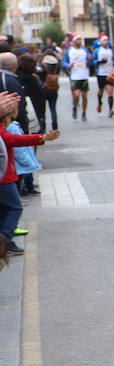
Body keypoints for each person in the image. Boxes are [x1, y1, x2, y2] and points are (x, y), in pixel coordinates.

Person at [0, 91, 60, 255]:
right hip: (4, 179)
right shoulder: (5, 130)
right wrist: (42, 138)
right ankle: (5, 240)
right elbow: (16, 141)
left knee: (5, 210)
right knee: (15, 208)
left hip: (7, 177)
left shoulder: (6, 127)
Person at [63, 35, 90, 121]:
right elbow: (64, 62)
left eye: (80, 39)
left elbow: (90, 60)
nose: (80, 41)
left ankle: (84, 113)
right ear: (74, 41)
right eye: (78, 39)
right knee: (77, 95)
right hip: (75, 76)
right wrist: (68, 65)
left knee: (85, 96)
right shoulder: (69, 51)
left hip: (84, 76)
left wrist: (90, 59)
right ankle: (74, 107)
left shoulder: (84, 50)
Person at [37, 50, 60, 131]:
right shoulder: (56, 65)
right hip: (53, 89)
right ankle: (55, 125)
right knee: (53, 108)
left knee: (42, 109)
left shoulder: (42, 66)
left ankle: (43, 126)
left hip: (43, 89)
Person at [93, 36, 114, 116]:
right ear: (101, 42)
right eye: (104, 40)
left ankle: (110, 110)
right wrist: (99, 62)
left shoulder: (110, 51)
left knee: (110, 92)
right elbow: (93, 61)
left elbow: (113, 60)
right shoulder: (97, 51)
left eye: (107, 40)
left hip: (110, 74)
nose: (106, 41)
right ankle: (99, 102)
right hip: (101, 74)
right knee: (101, 90)